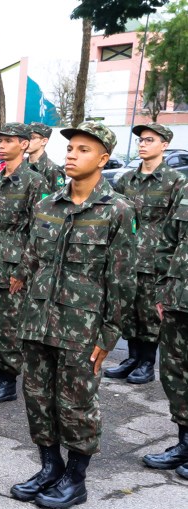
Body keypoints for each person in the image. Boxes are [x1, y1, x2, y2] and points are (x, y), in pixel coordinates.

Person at [10, 122, 135, 509]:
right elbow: (31, 260)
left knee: (77, 404)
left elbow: (122, 280)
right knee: (37, 398)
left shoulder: (117, 210)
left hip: (82, 328)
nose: (71, 155)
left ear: (103, 158)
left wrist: (108, 336)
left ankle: (75, 479)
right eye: (70, 148)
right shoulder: (47, 204)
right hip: (37, 321)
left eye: (83, 149)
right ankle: (50, 467)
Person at [0, 123, 47, 403]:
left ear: (24, 145)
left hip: (14, 266)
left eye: (8, 141)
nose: (1, 145)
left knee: (9, 326)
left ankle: (8, 382)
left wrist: (24, 271)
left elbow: (40, 231)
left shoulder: (35, 182)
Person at [106, 123, 186, 385]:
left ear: (164, 145)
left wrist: (170, 263)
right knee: (128, 309)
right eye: (140, 140)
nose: (142, 144)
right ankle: (131, 358)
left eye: (149, 140)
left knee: (150, 312)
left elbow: (177, 225)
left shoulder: (176, 181)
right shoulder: (126, 179)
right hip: (127, 255)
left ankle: (147, 362)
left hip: (155, 258)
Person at [144, 165, 188, 477]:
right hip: (178, 299)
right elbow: (167, 243)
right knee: (175, 374)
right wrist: (161, 289)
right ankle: (184, 443)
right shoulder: (186, 192)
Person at [26, 122, 66, 194]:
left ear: (44, 141)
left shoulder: (53, 170)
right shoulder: (20, 166)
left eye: (32, 138)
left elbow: (57, 200)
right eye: (26, 137)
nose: (27, 141)